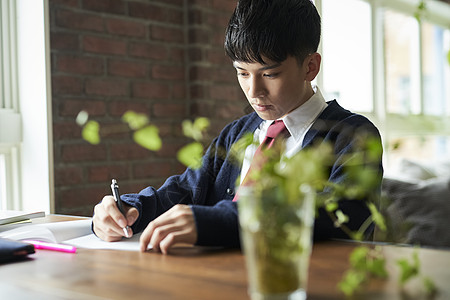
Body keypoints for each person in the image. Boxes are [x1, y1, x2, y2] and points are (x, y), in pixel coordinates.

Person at [92, 0, 383, 254]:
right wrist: (130, 209)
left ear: (310, 67)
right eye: (242, 73)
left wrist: (216, 222)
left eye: (269, 74)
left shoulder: (353, 135)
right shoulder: (236, 133)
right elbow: (184, 190)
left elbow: (342, 217)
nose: (253, 90)